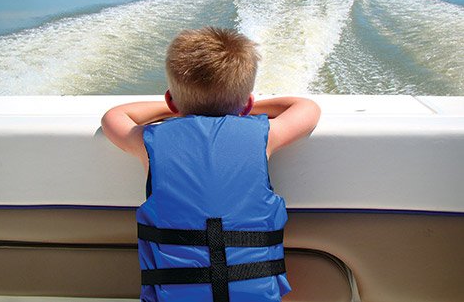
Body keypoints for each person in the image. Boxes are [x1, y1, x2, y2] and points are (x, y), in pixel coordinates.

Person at [101, 27, 321, 302]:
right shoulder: (264, 137)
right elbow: (307, 108)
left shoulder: (149, 142)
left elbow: (114, 116)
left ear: (170, 100)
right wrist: (242, 106)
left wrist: (178, 107)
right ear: (248, 104)